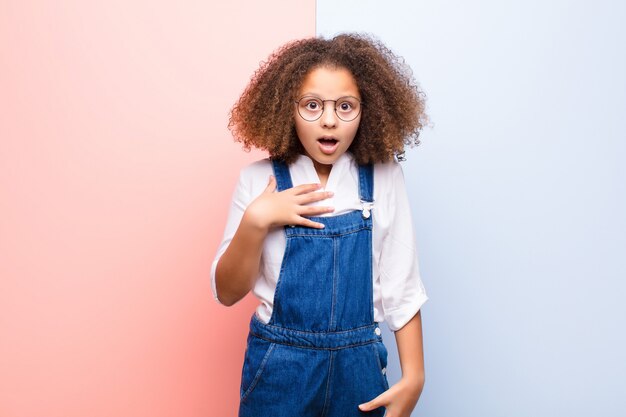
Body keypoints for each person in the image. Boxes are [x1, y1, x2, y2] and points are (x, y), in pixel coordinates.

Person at [211, 33, 429, 417]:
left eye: (346, 106)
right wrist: (256, 221)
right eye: (312, 105)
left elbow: (402, 285)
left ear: (369, 110)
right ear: (285, 108)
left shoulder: (383, 178)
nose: (329, 120)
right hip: (280, 369)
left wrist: (415, 377)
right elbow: (228, 292)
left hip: (357, 369)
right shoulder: (258, 181)